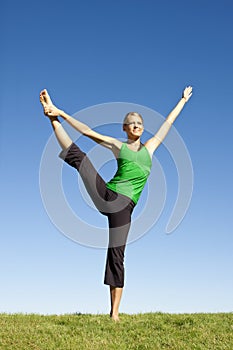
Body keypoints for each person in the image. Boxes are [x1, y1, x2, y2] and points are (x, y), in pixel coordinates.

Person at [40, 86, 192, 321]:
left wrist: (182, 101)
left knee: (117, 254)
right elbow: (88, 132)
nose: (136, 125)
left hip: (124, 208)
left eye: (139, 122)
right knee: (80, 158)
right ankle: (52, 120)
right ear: (124, 128)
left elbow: (168, 123)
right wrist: (60, 113)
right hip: (107, 194)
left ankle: (114, 313)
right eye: (131, 123)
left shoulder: (150, 149)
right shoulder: (117, 145)